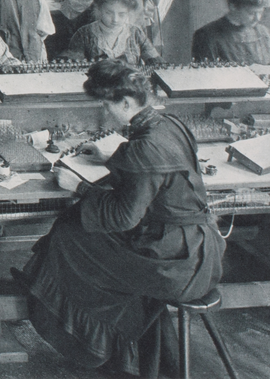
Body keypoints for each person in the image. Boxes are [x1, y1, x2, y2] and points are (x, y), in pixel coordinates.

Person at [22, 60, 225, 375]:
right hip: (202, 248)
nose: (104, 111)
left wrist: (79, 187)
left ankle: (99, 346)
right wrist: (112, 157)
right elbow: (158, 175)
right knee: (79, 234)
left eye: (107, 104)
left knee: (68, 235)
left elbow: (122, 217)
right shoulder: (170, 124)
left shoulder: (143, 148)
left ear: (127, 102)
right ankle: (130, 349)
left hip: (177, 265)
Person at [63, 0, 160, 65]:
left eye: (121, 14)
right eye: (109, 13)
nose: (115, 20)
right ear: (99, 10)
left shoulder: (136, 33)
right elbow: (72, 65)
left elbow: (156, 62)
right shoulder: (84, 34)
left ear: (128, 12)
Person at [193, 0, 270, 64]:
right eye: (251, 13)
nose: (257, 18)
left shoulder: (263, 32)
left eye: (260, 12)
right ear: (233, 7)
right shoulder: (206, 36)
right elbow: (207, 71)